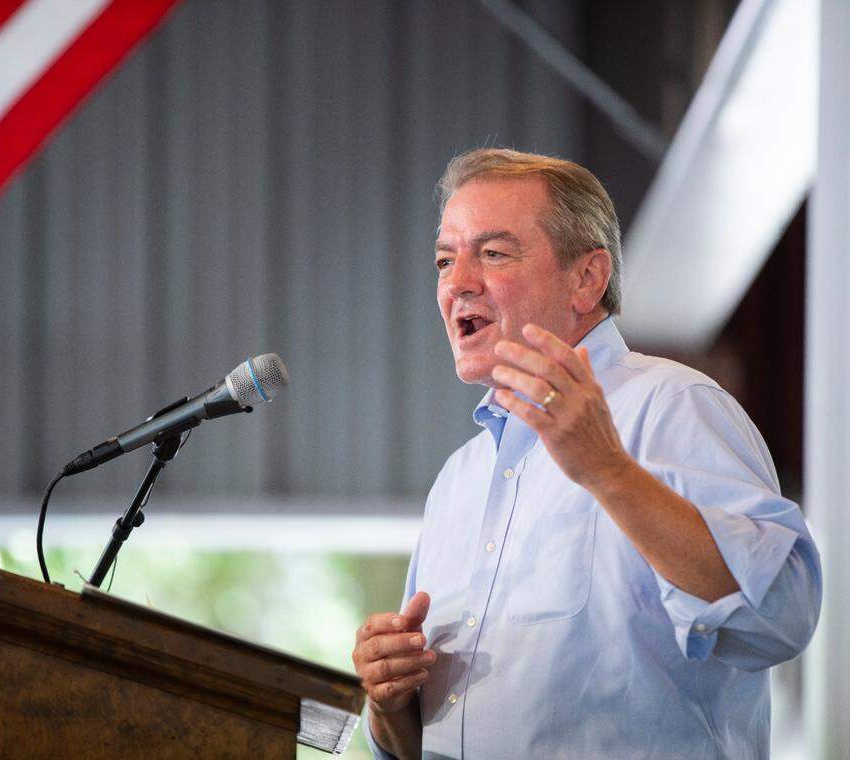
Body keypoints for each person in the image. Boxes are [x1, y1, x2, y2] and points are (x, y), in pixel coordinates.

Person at [352, 148, 821, 759]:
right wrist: (390, 701)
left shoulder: (671, 406)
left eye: (492, 253)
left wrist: (607, 471)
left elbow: (780, 615)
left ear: (587, 279)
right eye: (445, 259)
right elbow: (423, 743)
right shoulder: (459, 479)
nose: (457, 282)